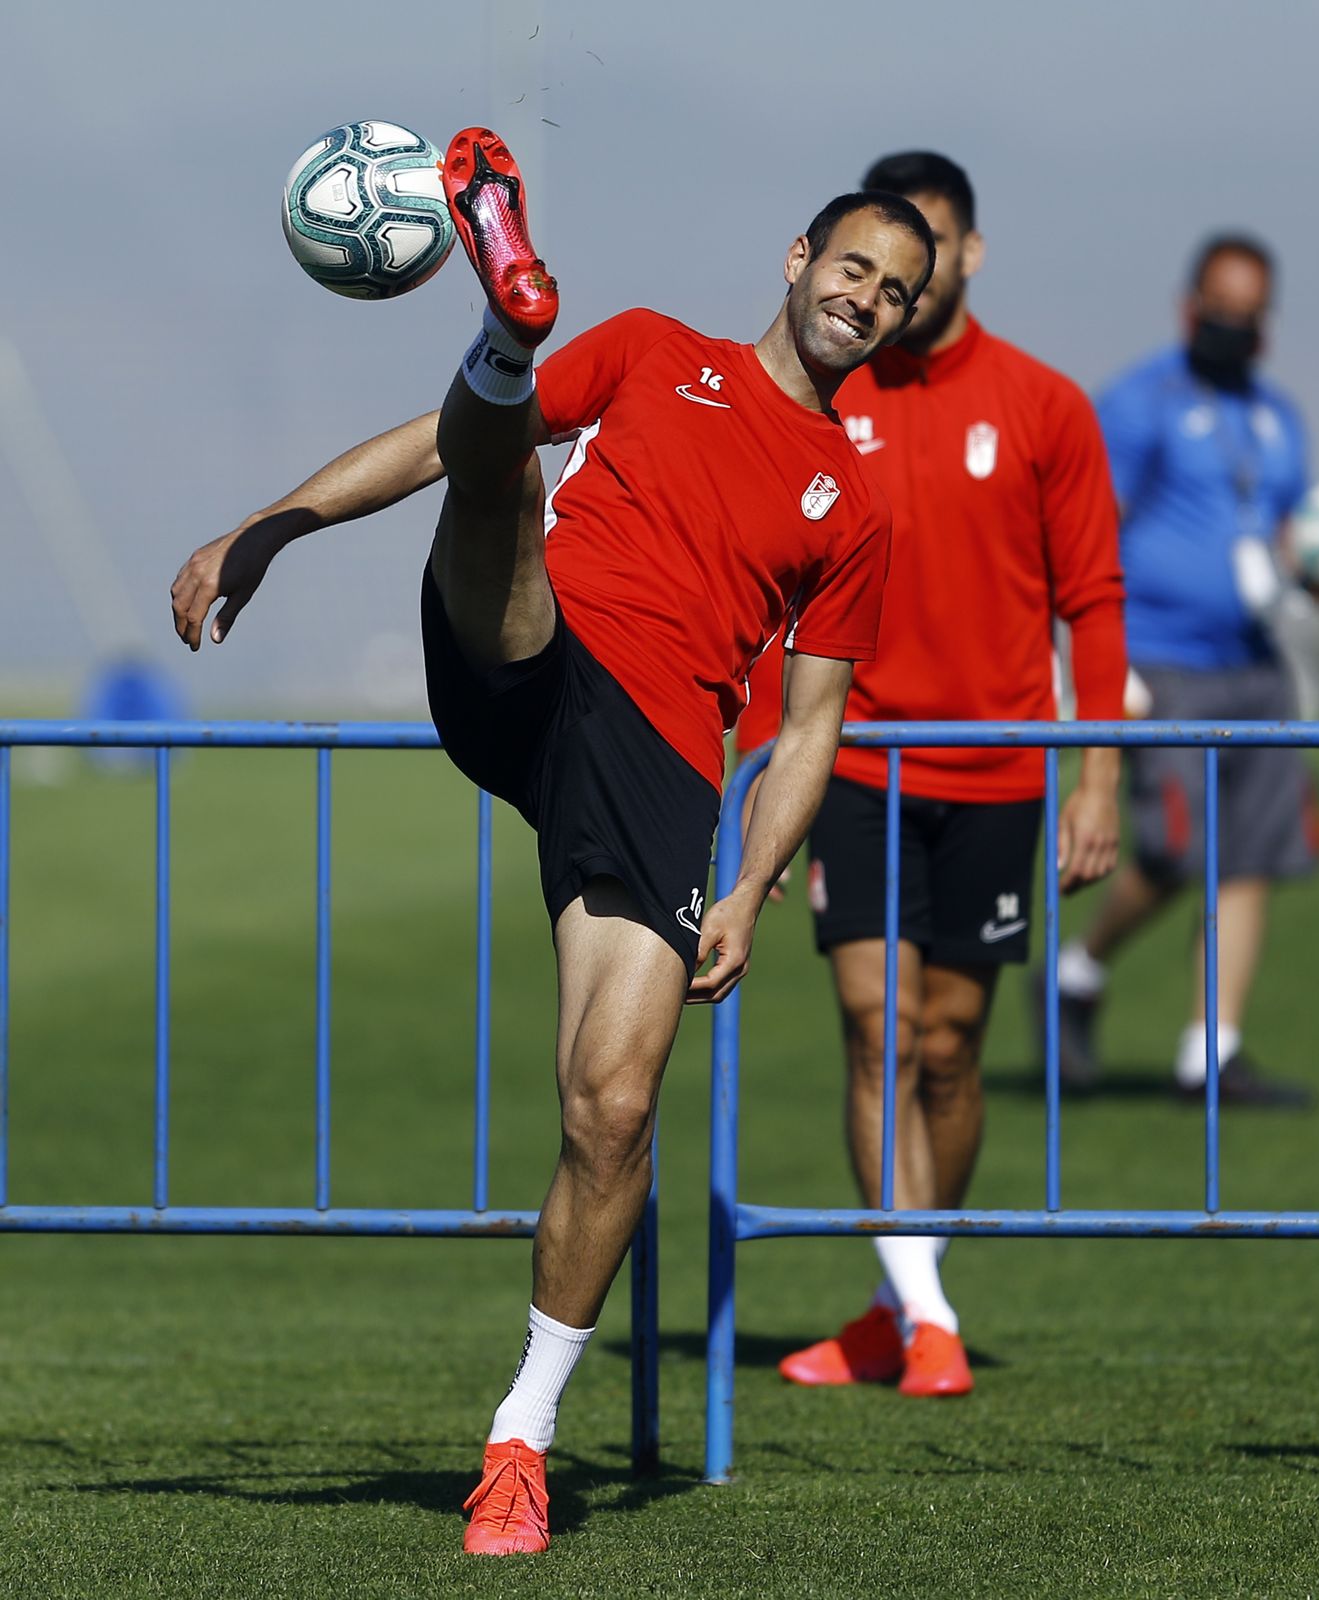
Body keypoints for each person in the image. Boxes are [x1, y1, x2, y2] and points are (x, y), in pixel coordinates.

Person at [170, 127, 935, 1556]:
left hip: (657, 766)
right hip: (532, 649)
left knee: (613, 1111)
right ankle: (509, 332)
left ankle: (520, 1437)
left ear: (899, 322)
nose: (867, 298)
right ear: (798, 260)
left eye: (894, 292)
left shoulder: (855, 504)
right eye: (852, 266)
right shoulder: (653, 352)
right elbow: (422, 448)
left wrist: (757, 888)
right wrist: (267, 528)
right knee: (502, 477)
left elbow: (816, 727)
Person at [735, 152, 1126, 1399]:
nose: (910, 275)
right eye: (884, 255)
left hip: (1002, 770)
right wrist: (758, 773)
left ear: (966, 255)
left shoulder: (1042, 404)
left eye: (934, 249)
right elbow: (763, 583)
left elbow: (1094, 602)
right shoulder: (817, 393)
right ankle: (927, 1311)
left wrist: (1097, 775)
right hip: (851, 761)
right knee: (875, 1031)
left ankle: (892, 1301)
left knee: (949, 1049)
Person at [1047, 232, 1319, 1106]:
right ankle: (1078, 971)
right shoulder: (1140, 404)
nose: (1232, 329)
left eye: (1249, 316)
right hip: (1160, 665)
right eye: (1220, 312)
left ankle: (1213, 1048)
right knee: (1172, 850)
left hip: (1256, 667)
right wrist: (1099, 660)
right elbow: (1085, 528)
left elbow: (1286, 536)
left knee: (1248, 858)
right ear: (1188, 309)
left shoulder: (1280, 419)